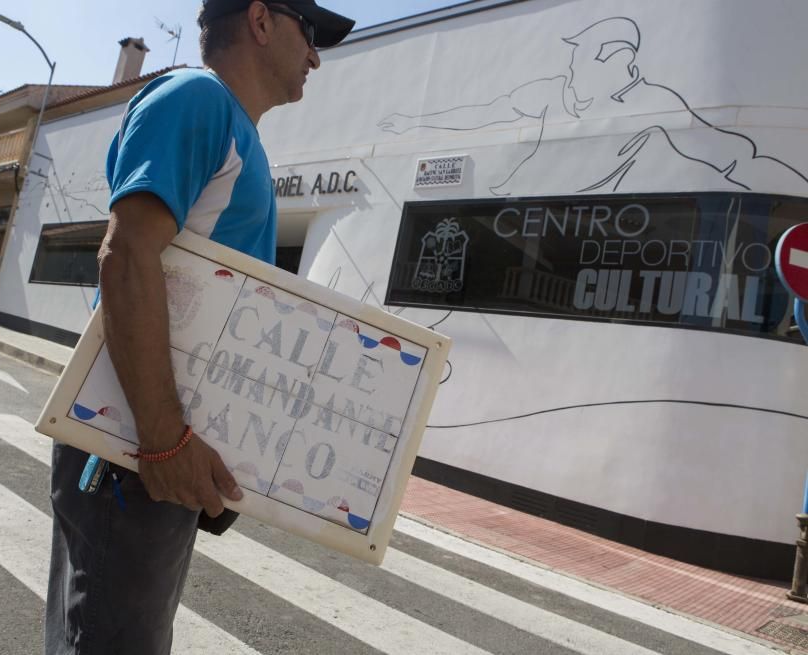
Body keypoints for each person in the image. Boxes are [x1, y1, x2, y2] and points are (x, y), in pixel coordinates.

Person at [45, 1, 354, 653]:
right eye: (312, 33)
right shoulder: (197, 100)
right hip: (139, 448)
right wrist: (161, 441)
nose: (318, 55)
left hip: (164, 450)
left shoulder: (241, 134)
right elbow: (127, 256)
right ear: (263, 21)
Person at [378, 17, 808, 196]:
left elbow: (738, 157)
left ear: (615, 57)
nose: (570, 61)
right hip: (500, 204)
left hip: (550, 227)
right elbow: (488, 110)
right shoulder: (555, 90)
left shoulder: (652, 103)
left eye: (579, 52)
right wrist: (413, 121)